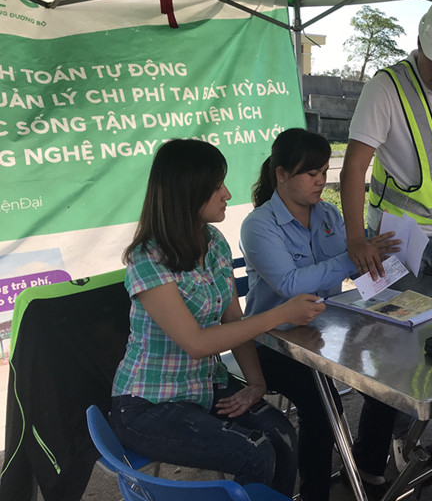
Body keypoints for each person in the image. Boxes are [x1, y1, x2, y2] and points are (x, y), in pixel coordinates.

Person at [110, 139, 323, 495]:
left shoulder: (213, 241)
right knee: (255, 454)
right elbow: (196, 344)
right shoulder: (147, 260)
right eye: (216, 187)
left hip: (205, 386)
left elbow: (234, 321)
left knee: (283, 436)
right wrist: (280, 314)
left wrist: (255, 384)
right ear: (187, 193)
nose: (226, 193)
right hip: (150, 405)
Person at [339, 0, 432, 436]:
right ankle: (377, 450)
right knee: (395, 343)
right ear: (421, 43)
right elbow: (353, 168)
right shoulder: (385, 87)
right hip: (393, 236)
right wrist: (355, 240)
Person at [239, 128, 401, 498]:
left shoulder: (328, 214)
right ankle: (315, 491)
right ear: (281, 174)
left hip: (326, 331)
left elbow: (353, 270)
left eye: (324, 172)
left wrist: (378, 259)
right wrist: (352, 256)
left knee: (389, 372)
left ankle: (368, 464)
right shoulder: (260, 226)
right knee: (322, 408)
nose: (320, 182)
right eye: (310, 174)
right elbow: (293, 284)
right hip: (274, 341)